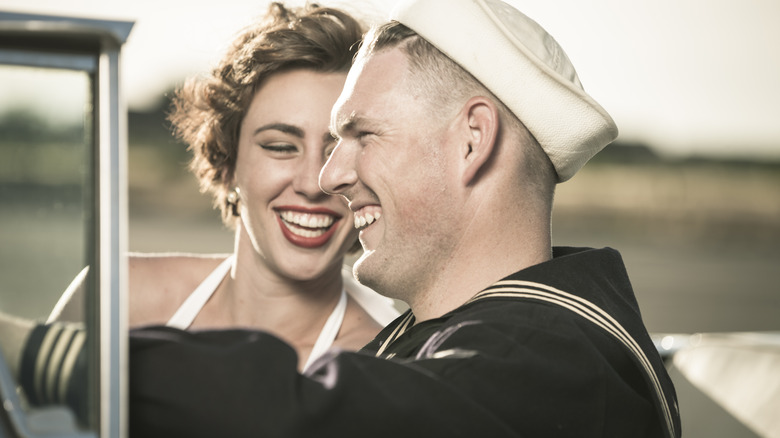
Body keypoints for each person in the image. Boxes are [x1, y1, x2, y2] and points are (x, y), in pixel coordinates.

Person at [3, 0, 681, 436]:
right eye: (281, 144)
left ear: (472, 141)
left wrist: (39, 354)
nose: (327, 177)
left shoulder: (550, 363)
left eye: (360, 135)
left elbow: (313, 415)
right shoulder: (492, 334)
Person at [48, 1, 399, 372]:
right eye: (280, 147)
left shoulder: (381, 366)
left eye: (337, 151)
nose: (313, 183)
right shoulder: (115, 299)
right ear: (227, 162)